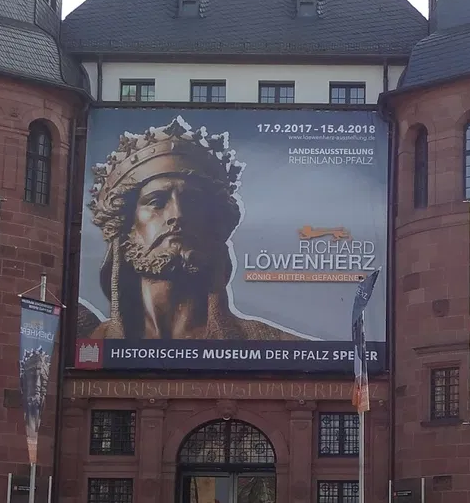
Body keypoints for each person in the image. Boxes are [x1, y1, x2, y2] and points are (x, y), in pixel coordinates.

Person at [79, 116, 316, 342]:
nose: (177, 215)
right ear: (125, 225)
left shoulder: (280, 349)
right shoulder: (87, 344)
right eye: (156, 202)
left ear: (213, 223)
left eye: (192, 202)